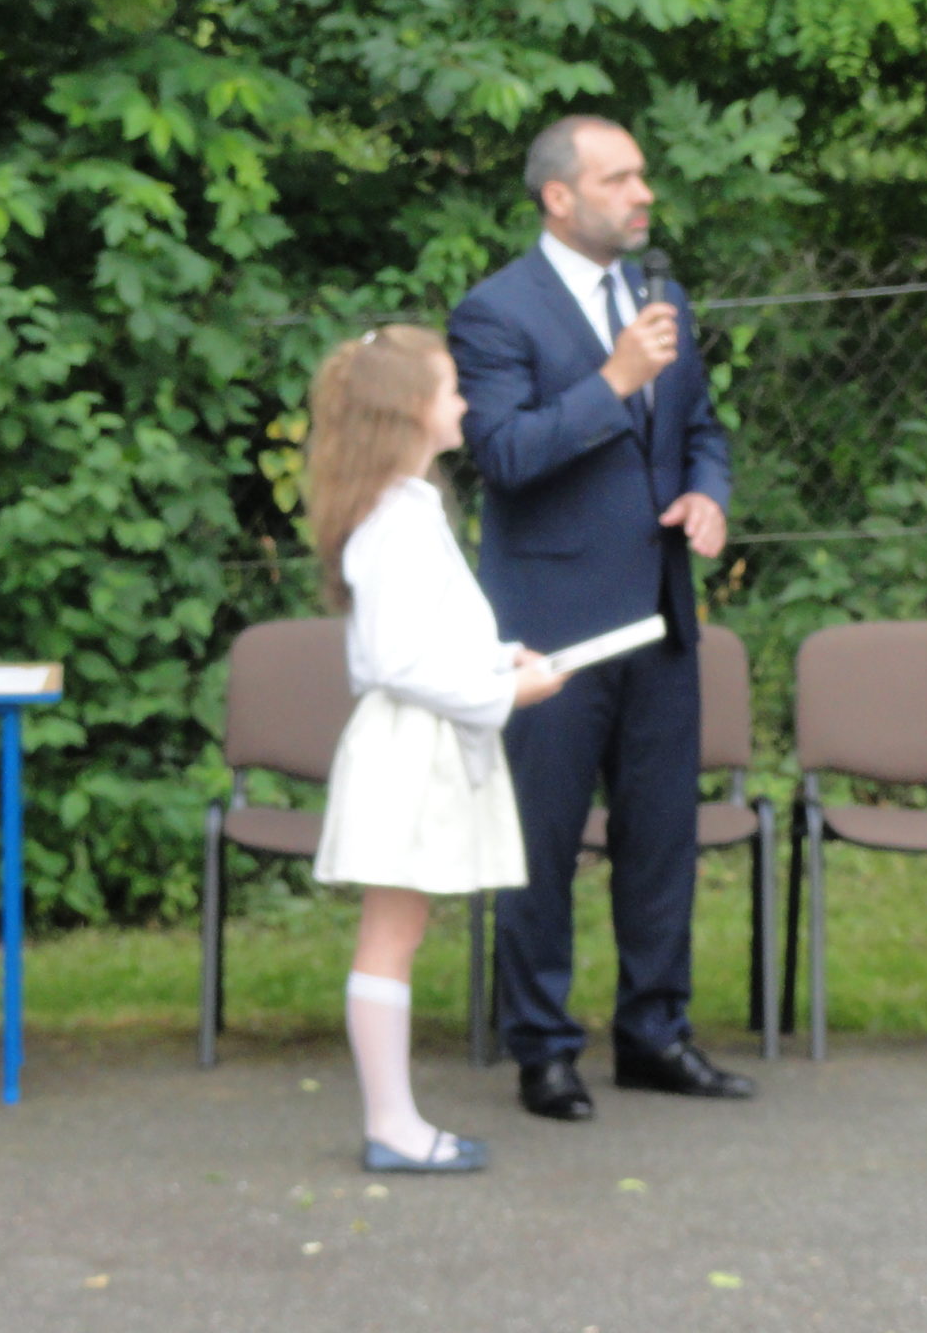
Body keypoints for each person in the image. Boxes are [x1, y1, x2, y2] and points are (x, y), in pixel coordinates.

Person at [448, 115, 748, 1122]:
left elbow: (699, 429)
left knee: (660, 840)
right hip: (553, 628)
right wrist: (614, 379)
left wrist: (706, 493)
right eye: (619, 179)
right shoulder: (495, 312)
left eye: (642, 176)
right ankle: (542, 1049)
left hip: (659, 616)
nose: (643, 194)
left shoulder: (662, 298)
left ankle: (655, 1035)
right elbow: (504, 456)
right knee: (540, 845)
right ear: (558, 197)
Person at [306, 326, 568, 1173]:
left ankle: (396, 1123)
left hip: (419, 743)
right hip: (406, 752)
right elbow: (397, 661)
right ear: (411, 409)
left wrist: (499, 659)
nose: (465, 402)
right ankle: (392, 1127)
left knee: (401, 929)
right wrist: (507, 693)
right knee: (391, 934)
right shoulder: (395, 524)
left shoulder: (406, 511)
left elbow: (423, 642)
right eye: (452, 388)